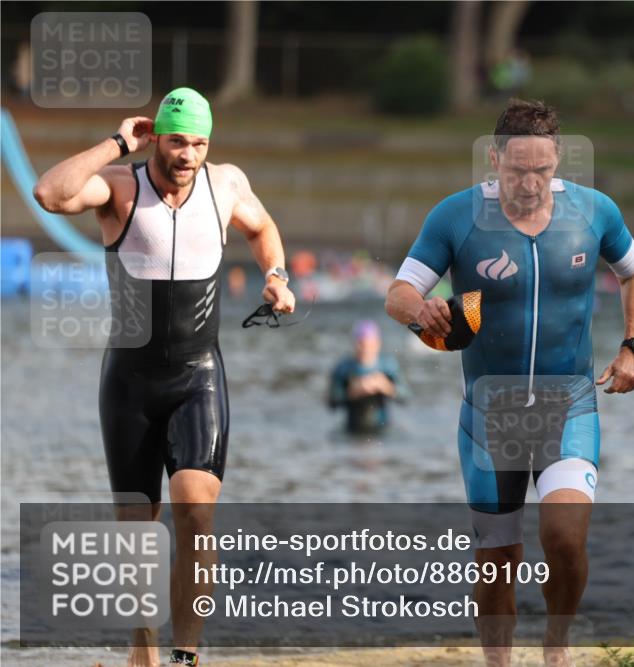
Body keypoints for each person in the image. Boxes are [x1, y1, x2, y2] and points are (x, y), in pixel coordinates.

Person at [33, 87, 295, 667]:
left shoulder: (225, 184)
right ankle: (143, 647)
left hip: (197, 376)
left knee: (196, 514)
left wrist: (276, 275)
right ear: (156, 137)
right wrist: (117, 143)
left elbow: (262, 227)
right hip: (129, 384)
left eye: (199, 143)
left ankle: (185, 656)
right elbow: (50, 193)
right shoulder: (120, 187)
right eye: (178, 142)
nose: (188, 155)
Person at [385, 99, 634, 667]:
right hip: (489, 415)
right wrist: (421, 310)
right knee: (497, 559)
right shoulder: (456, 217)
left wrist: (632, 345)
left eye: (542, 171)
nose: (530, 184)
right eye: (517, 171)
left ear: (558, 161)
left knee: (565, 538)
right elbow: (399, 293)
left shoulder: (594, 212)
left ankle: (557, 645)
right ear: (494, 159)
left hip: (569, 408)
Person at [329, 319, 406, 434]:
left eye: (369, 345)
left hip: (382, 428)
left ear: (378, 344)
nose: (365, 350)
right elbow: (332, 403)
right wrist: (352, 392)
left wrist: (386, 387)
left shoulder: (388, 366)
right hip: (352, 428)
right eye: (361, 344)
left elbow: (405, 397)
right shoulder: (344, 368)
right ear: (354, 344)